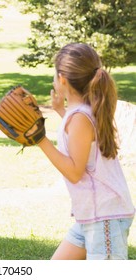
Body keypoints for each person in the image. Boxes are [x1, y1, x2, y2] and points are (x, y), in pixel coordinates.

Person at [37, 43, 135, 260]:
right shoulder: (81, 114)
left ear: (62, 78)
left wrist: (40, 140)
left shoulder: (81, 117)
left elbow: (74, 171)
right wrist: (60, 110)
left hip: (105, 217)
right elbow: (81, 142)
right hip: (93, 215)